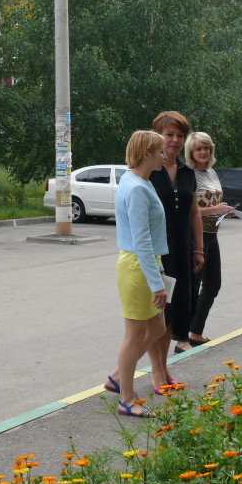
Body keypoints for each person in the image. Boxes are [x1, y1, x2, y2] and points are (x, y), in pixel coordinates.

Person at [103, 130, 168, 418]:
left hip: (144, 263)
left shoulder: (136, 180)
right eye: (160, 151)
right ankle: (126, 398)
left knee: (157, 328)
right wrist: (157, 283)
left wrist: (159, 271)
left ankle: (119, 376)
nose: (164, 156)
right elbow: (141, 239)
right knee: (134, 335)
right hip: (137, 266)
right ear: (146, 154)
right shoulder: (138, 188)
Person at [146, 111, 204, 390]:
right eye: (169, 134)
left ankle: (163, 368)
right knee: (157, 314)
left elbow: (194, 213)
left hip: (181, 249)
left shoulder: (187, 172)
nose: (175, 140)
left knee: (172, 313)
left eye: (180, 135)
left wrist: (199, 249)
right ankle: (154, 374)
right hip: (157, 252)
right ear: (157, 135)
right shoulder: (148, 170)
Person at [185, 131, 231, 347]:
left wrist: (224, 210)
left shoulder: (211, 173)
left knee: (213, 284)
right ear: (191, 152)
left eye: (207, 148)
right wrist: (216, 208)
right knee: (193, 287)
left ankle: (195, 331)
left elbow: (212, 203)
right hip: (197, 236)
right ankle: (184, 335)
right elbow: (187, 211)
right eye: (198, 149)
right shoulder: (188, 174)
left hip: (213, 234)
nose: (203, 152)